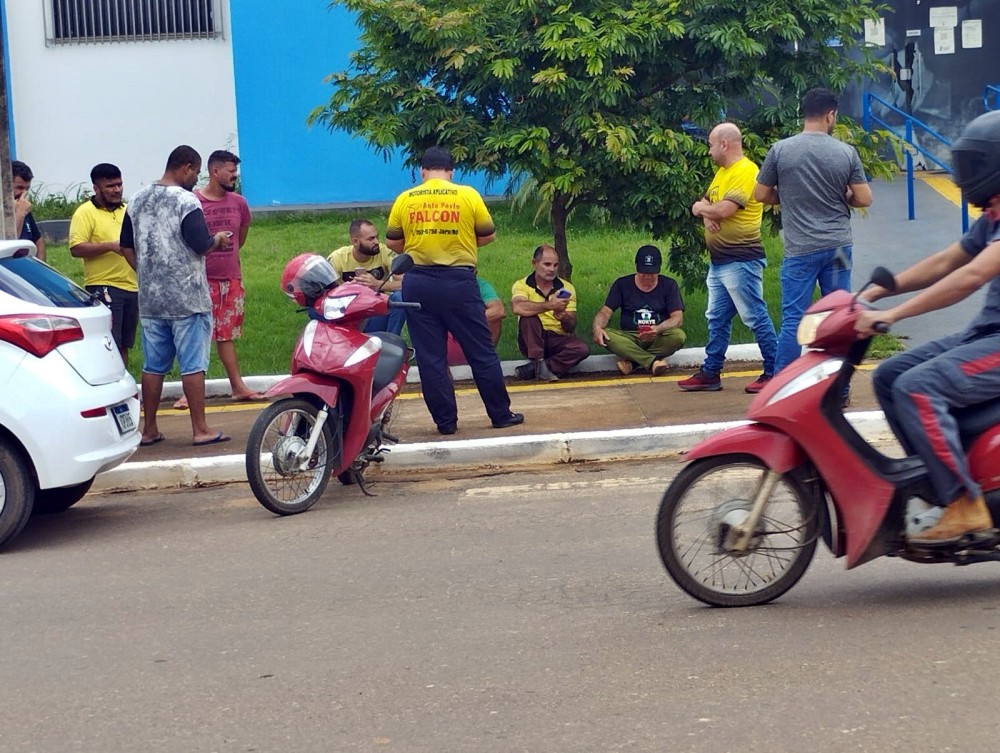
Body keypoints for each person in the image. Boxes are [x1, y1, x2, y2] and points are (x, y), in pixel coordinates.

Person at [855, 110, 1000, 546]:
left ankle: (964, 503)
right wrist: (881, 290)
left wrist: (894, 316)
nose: (982, 201)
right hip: (986, 335)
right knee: (888, 376)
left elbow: (970, 277)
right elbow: (946, 261)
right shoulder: (992, 219)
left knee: (918, 388)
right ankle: (935, 481)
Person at [384, 146, 522, 435]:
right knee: (481, 351)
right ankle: (500, 414)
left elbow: (394, 244)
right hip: (458, 282)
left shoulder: (405, 199)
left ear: (422, 171)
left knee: (430, 356)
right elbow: (488, 235)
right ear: (451, 171)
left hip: (417, 281)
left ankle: (445, 423)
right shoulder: (467, 195)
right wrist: (461, 242)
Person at [753, 87, 873, 374]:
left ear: (804, 114)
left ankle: (783, 387)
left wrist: (790, 196)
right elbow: (864, 198)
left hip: (800, 251)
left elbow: (760, 194)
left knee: (793, 318)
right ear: (830, 115)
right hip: (838, 248)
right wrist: (842, 196)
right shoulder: (846, 152)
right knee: (839, 315)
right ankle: (839, 386)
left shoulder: (780, 150)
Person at [121, 144, 232, 447]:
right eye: (195, 172)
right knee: (193, 364)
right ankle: (200, 429)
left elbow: (126, 246)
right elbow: (200, 244)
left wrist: (145, 273)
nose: (196, 179)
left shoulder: (137, 199)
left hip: (152, 299)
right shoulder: (187, 201)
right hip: (187, 297)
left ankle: (149, 429)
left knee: (153, 366)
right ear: (185, 167)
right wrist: (219, 240)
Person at [680, 123, 778, 393]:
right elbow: (702, 204)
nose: (709, 151)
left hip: (741, 259)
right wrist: (704, 212)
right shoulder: (722, 174)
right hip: (721, 261)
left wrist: (706, 211)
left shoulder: (745, 171)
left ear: (724, 144)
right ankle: (711, 372)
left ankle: (775, 371)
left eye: (711, 145)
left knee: (755, 316)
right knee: (716, 318)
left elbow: (722, 210)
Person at [172, 150, 261, 410]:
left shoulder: (239, 203)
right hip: (200, 280)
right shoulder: (192, 201)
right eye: (231, 171)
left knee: (226, 335)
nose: (234, 176)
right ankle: (190, 392)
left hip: (231, 279)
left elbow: (240, 237)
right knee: (195, 336)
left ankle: (238, 387)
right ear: (215, 171)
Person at [68, 163, 137, 364]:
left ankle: (123, 382)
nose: (117, 190)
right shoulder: (85, 212)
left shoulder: (127, 210)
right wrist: (109, 246)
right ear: (96, 188)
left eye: (119, 185)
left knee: (125, 344)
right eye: (110, 186)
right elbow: (76, 248)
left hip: (132, 286)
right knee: (110, 343)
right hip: (104, 286)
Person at [592, 245, 686, 377]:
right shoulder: (622, 284)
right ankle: (653, 362)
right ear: (636, 267)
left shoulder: (669, 285)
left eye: (652, 273)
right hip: (630, 337)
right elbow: (605, 312)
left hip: (657, 335)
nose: (647, 277)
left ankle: (633, 363)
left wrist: (657, 329)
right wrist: (597, 327)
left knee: (678, 336)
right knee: (607, 335)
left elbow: (677, 318)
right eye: (644, 273)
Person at [511, 244, 590, 381]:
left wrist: (564, 317)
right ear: (534, 263)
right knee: (528, 317)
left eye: (555, 265)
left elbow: (571, 327)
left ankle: (537, 368)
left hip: (556, 338)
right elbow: (518, 307)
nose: (551, 269)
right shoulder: (521, 285)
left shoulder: (567, 287)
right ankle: (539, 362)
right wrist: (549, 305)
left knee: (582, 349)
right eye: (547, 264)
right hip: (531, 339)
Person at [327, 218, 405, 335]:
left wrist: (378, 284)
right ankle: (333, 342)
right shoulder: (338, 257)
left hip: (377, 309)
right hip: (348, 314)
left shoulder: (384, 252)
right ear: (355, 241)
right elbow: (323, 293)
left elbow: (405, 283)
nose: (377, 242)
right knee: (314, 310)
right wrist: (349, 289)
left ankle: (392, 342)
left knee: (401, 297)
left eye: (376, 237)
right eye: (371, 239)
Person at [446, 274, 504, 365]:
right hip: (446, 335)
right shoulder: (440, 285)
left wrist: (468, 320)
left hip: (472, 332)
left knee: (495, 320)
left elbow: (499, 311)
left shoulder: (480, 284)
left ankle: (485, 360)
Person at [11, 160, 45, 261]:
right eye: (19, 188)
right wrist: (20, 214)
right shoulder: (20, 209)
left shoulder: (23, 206)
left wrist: (40, 268)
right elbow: (9, 243)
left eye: (27, 189)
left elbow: (37, 239)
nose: (23, 194)